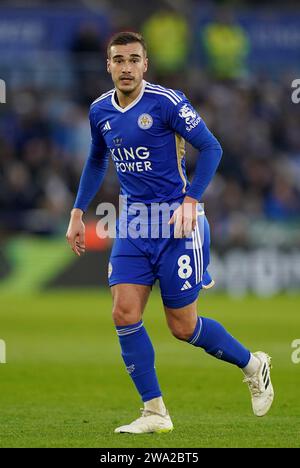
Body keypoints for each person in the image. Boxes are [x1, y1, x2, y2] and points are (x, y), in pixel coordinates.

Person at [66, 32, 274, 434]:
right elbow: (96, 160)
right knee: (123, 312)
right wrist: (77, 212)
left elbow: (211, 148)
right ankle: (155, 411)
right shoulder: (99, 111)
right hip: (132, 223)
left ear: (145, 65)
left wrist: (191, 200)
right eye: (118, 60)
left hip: (178, 224)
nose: (126, 67)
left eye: (133, 59)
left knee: (182, 327)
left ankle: (253, 364)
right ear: (108, 66)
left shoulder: (167, 102)